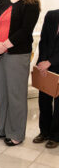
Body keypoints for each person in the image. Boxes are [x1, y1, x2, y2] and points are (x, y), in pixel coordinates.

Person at [0, 0, 40, 146]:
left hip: (17, 55)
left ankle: (16, 133)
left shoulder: (31, 3)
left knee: (16, 94)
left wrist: (1, 47)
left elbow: (24, 31)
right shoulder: (2, 1)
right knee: (1, 94)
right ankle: (1, 129)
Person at [33, 9, 59, 149]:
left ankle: (55, 136)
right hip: (46, 66)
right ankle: (44, 132)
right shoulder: (51, 15)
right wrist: (42, 62)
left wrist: (51, 62)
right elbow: (43, 41)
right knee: (44, 100)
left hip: (56, 65)